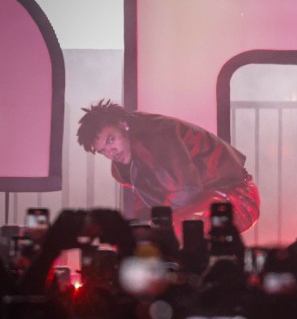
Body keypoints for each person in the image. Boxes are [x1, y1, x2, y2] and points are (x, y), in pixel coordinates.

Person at [76, 100, 261, 233]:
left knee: (172, 232)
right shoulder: (129, 160)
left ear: (123, 125)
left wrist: (153, 225)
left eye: (111, 140)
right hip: (203, 201)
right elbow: (149, 199)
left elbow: (187, 189)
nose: (112, 152)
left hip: (236, 198)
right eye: (103, 151)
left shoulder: (157, 136)